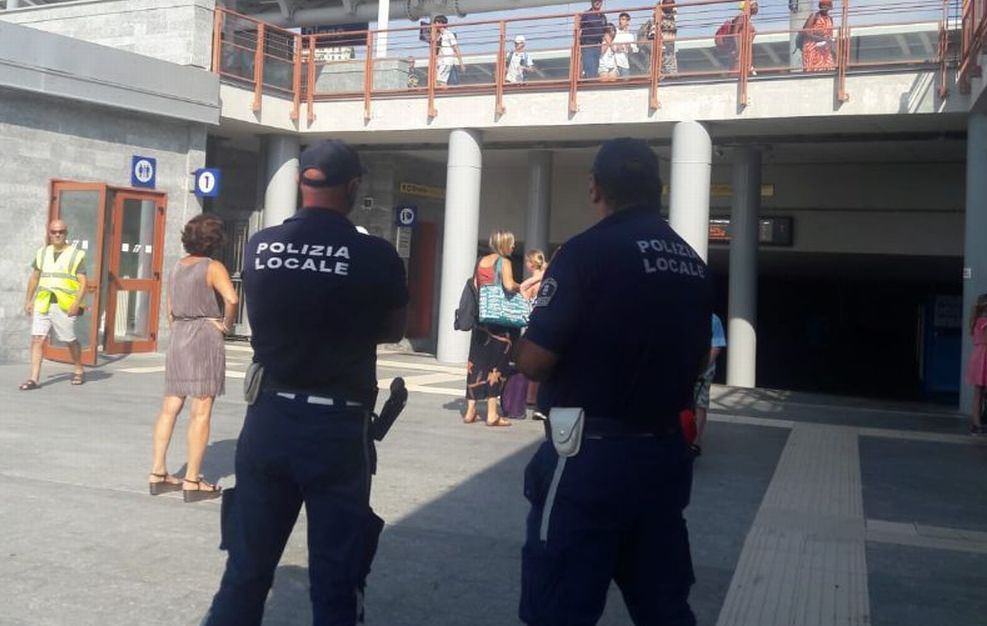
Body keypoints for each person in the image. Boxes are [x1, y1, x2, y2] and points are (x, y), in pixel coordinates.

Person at [201, 140, 408, 625]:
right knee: (338, 578)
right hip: (337, 428)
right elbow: (394, 330)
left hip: (268, 418)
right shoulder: (375, 254)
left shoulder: (261, 244)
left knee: (246, 572)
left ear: (300, 182)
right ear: (353, 186)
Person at [516, 138, 711, 626]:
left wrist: (520, 340)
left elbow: (536, 361)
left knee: (559, 605)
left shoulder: (586, 253)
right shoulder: (692, 262)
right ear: (658, 189)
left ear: (594, 188)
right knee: (664, 606)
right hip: (664, 455)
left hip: (591, 457)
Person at [147, 215, 238, 502]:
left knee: (170, 406)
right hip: (203, 335)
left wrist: (178, 329)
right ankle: (192, 480)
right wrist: (225, 325)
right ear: (216, 241)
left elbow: (171, 309)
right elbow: (232, 299)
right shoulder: (213, 267)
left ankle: (158, 472)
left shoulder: (176, 266)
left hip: (179, 336)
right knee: (201, 410)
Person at [463, 230, 522, 427]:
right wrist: (519, 287)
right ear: (504, 244)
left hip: (481, 318)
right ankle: (491, 414)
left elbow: (476, 284)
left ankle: (470, 411)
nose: (513, 247)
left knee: (476, 363)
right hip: (498, 320)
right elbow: (507, 284)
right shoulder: (503, 262)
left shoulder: (481, 261)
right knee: (497, 365)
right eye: (511, 243)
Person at [20, 219, 87, 390]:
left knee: (69, 340)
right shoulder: (42, 253)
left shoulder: (75, 254)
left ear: (66, 233)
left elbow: (83, 282)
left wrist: (77, 303)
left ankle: (78, 368)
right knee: (37, 339)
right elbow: (35, 277)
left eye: (61, 232)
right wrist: (28, 300)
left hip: (64, 305)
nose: (57, 234)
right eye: (54, 232)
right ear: (49, 233)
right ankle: (34, 378)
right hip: (43, 303)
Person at [691, 312, 727, 456]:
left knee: (700, 403)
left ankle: (695, 442)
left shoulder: (713, 319)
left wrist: (703, 368)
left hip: (703, 370)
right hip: (682, 368)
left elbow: (716, 346)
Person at [966, 293, 987, 436]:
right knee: (979, 393)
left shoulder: (976, 320)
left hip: (979, 355)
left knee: (978, 392)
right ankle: (977, 422)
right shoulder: (983, 321)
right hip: (984, 355)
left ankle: (977, 422)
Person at [800, 0, 835, 72]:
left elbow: (830, 33)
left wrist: (829, 39)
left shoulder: (830, 19)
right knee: (812, 70)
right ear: (820, 6)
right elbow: (805, 32)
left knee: (828, 69)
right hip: (812, 48)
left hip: (824, 49)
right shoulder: (814, 16)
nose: (825, 8)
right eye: (823, 6)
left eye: (827, 6)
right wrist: (820, 38)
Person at [578, 0, 608, 79]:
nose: (597, 2)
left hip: (598, 46)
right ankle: (589, 88)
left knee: (594, 70)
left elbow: (605, 32)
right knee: (590, 70)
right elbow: (578, 29)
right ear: (592, 2)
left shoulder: (603, 16)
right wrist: (577, 47)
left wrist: (607, 45)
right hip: (588, 45)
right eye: (595, 0)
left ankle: (591, 86)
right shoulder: (586, 14)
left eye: (600, 0)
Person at [434, 15, 465, 87]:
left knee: (439, 80)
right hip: (442, 60)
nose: (435, 25)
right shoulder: (441, 35)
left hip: (446, 60)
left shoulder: (449, 34)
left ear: (440, 23)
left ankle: (444, 94)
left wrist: (461, 63)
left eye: (436, 23)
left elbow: (456, 47)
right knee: (440, 80)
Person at [613, 12, 638, 78]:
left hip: (624, 65)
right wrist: (616, 47)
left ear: (628, 22)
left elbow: (634, 50)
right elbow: (610, 44)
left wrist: (629, 47)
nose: (620, 21)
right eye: (620, 19)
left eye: (623, 19)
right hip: (613, 65)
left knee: (626, 86)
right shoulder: (614, 32)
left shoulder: (630, 36)